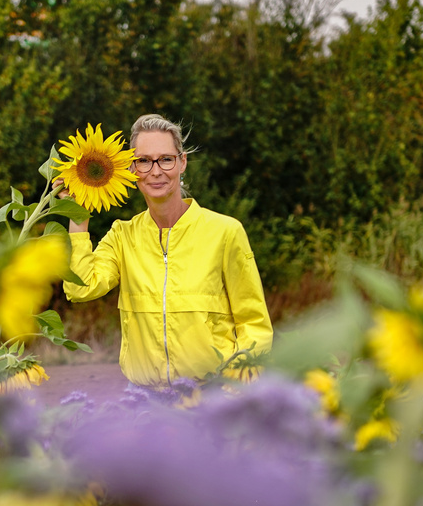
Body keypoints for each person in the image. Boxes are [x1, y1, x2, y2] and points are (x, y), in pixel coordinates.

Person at [60, 114, 272, 386]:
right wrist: (78, 216)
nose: (156, 171)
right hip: (146, 404)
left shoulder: (225, 232)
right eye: (144, 161)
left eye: (166, 159)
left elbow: (253, 323)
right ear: (132, 168)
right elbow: (80, 288)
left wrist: (236, 392)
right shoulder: (123, 236)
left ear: (182, 162)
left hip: (212, 398)